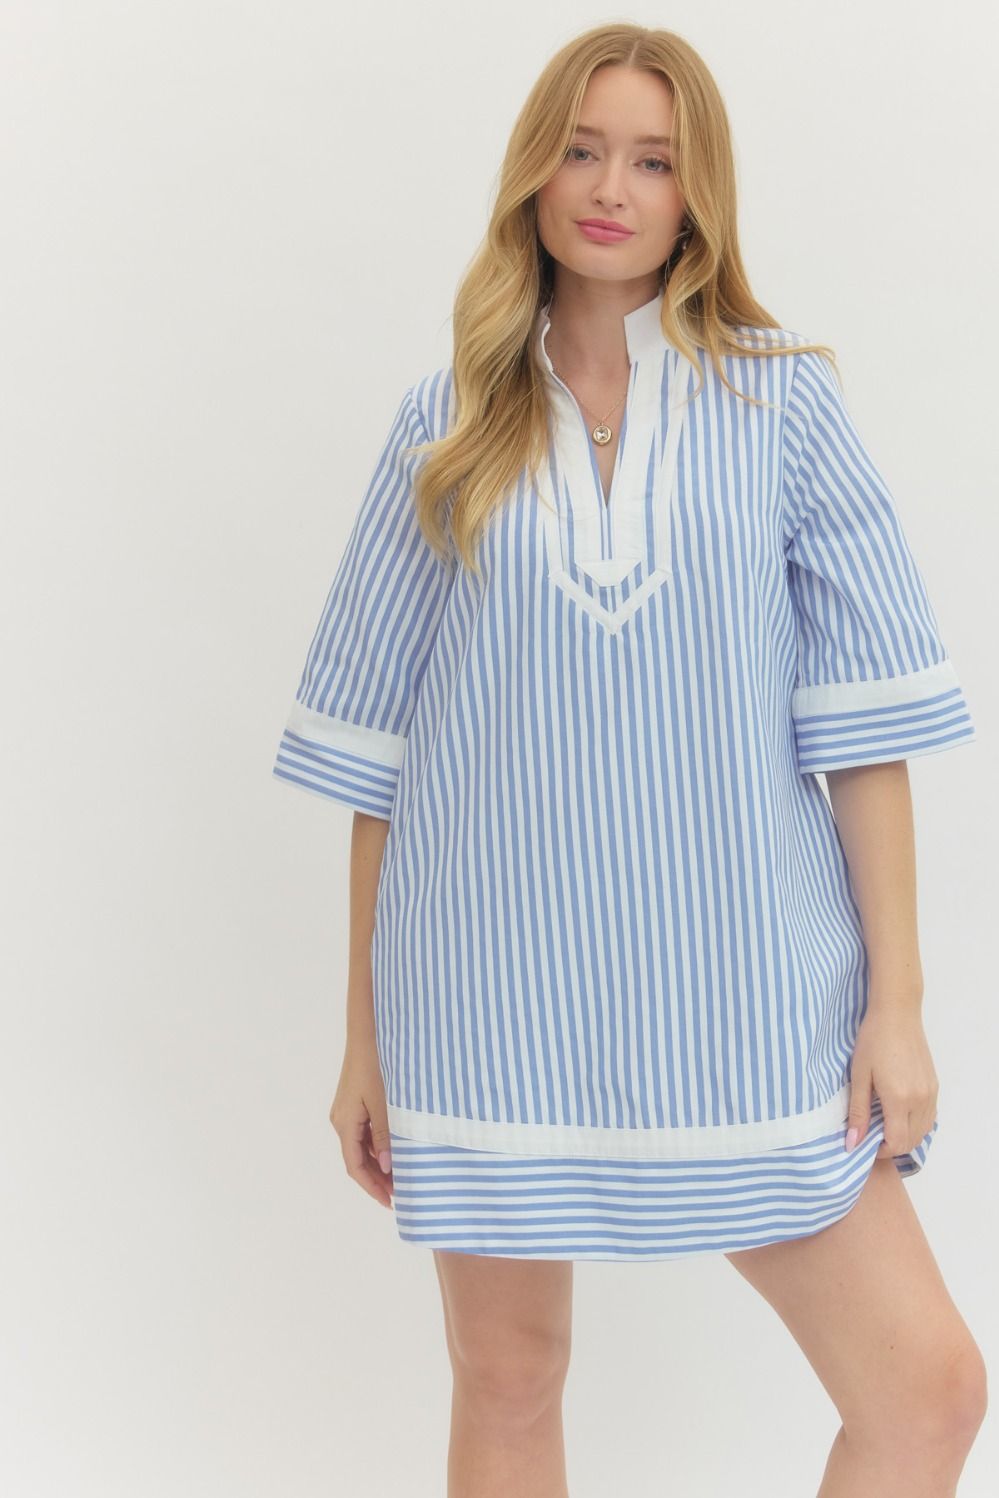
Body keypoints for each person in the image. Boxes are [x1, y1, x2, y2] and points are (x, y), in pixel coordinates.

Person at [271, 22, 987, 1496]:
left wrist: (895, 1003)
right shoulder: (450, 424)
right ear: (535, 173)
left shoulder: (789, 407)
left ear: (698, 193)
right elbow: (382, 762)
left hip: (753, 994)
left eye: (653, 160)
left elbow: (864, 735)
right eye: (583, 150)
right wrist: (366, 1033)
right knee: (510, 1375)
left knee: (928, 1389)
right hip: (486, 993)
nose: (611, 187)